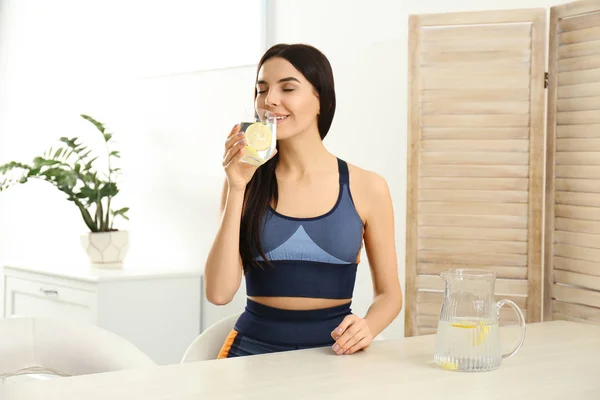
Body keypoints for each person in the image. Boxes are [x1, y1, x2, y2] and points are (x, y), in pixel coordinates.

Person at [204, 43, 402, 358]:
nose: (270, 101)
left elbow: (390, 296)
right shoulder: (244, 182)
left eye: (288, 88)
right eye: (262, 89)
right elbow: (218, 293)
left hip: (335, 357)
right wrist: (237, 185)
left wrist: (368, 326)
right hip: (249, 354)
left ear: (321, 98)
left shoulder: (368, 187)